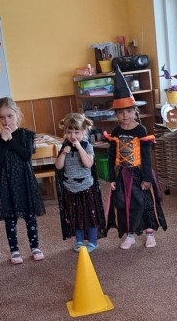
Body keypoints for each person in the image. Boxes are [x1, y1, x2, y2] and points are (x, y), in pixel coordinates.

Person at [105, 68, 167, 249]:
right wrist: (111, 177)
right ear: (116, 114)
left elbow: (146, 156)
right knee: (125, 204)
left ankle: (149, 233)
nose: (125, 116)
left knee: (145, 202)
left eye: (128, 111)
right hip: (122, 175)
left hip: (140, 173)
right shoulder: (116, 131)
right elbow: (111, 155)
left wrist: (147, 178)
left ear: (135, 111)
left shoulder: (141, 130)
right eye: (120, 112)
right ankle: (130, 234)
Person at [0, 97, 45, 264]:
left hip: (25, 179)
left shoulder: (26, 135)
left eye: (9, 116)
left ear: (17, 114)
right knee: (10, 217)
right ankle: (14, 250)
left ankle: (35, 247)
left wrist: (10, 139)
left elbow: (26, 155)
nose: (6, 121)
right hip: (7, 181)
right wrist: (3, 140)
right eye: (1, 117)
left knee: (30, 214)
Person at [54, 112, 106, 252]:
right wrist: (63, 153)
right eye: (69, 132)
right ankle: (79, 241)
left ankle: (93, 242)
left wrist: (80, 148)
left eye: (76, 132)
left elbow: (88, 163)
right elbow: (58, 166)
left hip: (86, 188)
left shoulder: (87, 146)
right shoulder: (65, 146)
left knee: (90, 215)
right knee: (75, 216)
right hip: (70, 188)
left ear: (84, 131)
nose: (73, 136)